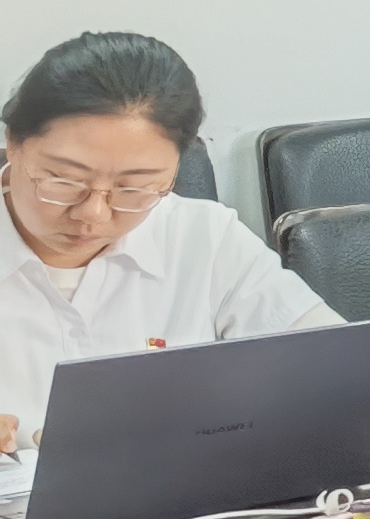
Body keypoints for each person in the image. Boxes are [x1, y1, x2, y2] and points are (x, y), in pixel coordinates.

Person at [0, 31, 334, 454]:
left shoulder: (204, 237)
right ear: (13, 143)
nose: (94, 214)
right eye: (64, 180)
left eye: (133, 188)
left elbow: (335, 371)